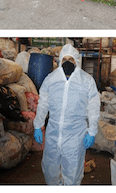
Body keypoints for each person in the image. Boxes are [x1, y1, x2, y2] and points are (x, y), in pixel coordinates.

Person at [33, 44, 100, 185]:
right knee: (49, 169)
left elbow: (93, 107)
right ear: (60, 61)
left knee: (73, 172)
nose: (68, 63)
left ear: (77, 61)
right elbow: (43, 103)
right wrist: (38, 125)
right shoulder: (51, 79)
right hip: (53, 133)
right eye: (64, 60)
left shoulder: (86, 81)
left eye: (71, 59)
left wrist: (92, 131)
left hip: (76, 134)